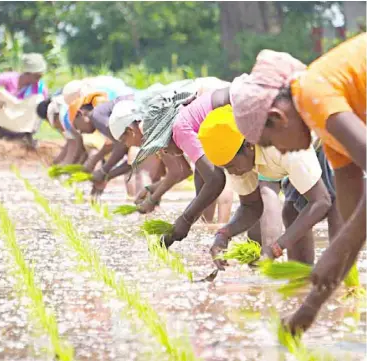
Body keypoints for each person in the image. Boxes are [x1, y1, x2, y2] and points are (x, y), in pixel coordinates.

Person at [229, 33, 366, 334]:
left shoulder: (311, 94)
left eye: (269, 143)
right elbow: (353, 221)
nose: (278, 152)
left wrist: (334, 249)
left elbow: (344, 239)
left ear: (278, 117)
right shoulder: (328, 132)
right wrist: (310, 308)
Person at [198, 107, 340, 267]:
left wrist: (276, 248)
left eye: (231, 166)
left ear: (249, 146)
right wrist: (223, 235)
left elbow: (321, 201)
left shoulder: (282, 144)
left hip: (330, 134)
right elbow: (251, 207)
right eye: (225, 168)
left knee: (338, 210)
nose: (231, 172)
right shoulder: (235, 158)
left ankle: (344, 278)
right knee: (291, 211)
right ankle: (302, 279)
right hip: (304, 149)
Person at [114, 78, 234, 247]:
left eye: (123, 139)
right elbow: (185, 171)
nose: (163, 153)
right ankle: (212, 230)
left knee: (221, 170)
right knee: (205, 175)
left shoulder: (166, 127)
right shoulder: (161, 127)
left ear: (130, 130)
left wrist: (184, 219)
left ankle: (219, 228)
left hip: (220, 99)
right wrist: (152, 191)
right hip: (219, 100)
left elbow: (209, 177)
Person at [0, 53, 48, 147]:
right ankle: (0, 132)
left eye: (40, 76)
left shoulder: (40, 87)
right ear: (27, 73)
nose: (39, 79)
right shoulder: (10, 78)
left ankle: (28, 136)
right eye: (37, 76)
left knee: (39, 101)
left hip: (23, 125)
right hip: (5, 118)